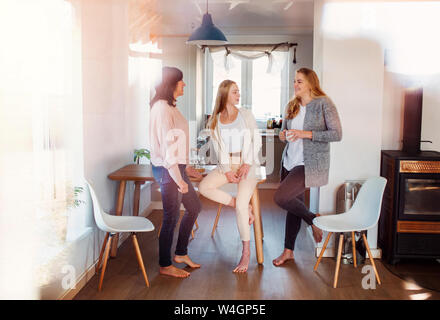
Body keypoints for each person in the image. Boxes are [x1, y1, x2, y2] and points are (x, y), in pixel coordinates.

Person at [272, 67, 342, 267]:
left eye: (299, 81)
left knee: (280, 197)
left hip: (309, 164)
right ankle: (288, 251)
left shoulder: (324, 104)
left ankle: (313, 220)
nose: (295, 84)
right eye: (294, 81)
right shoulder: (292, 105)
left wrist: (306, 134)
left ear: (311, 83)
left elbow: (336, 134)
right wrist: (283, 135)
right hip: (289, 162)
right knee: (293, 207)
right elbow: (283, 132)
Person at [198, 80, 262, 273]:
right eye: (235, 92)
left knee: (243, 206)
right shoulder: (215, 119)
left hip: (248, 165)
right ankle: (238, 204)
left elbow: (256, 139)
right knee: (203, 187)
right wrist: (226, 170)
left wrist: (247, 163)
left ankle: (246, 252)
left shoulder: (246, 115)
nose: (238, 95)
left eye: (238, 92)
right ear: (225, 95)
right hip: (228, 165)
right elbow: (219, 149)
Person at [149, 66, 203, 278]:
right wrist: (179, 178)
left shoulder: (169, 107)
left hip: (175, 168)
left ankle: (180, 253)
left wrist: (186, 167)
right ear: (171, 83)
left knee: (194, 207)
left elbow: (178, 142)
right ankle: (165, 264)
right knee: (171, 218)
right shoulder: (161, 109)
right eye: (181, 81)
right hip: (168, 170)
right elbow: (168, 148)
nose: (184, 84)